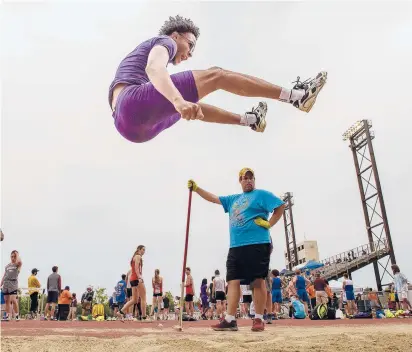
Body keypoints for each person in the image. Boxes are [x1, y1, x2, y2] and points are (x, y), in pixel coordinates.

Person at [108, 15, 328, 144]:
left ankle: (249, 120)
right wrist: (177, 100)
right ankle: (296, 96)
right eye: (191, 44)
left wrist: (179, 102)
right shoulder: (167, 42)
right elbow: (154, 68)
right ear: (176, 36)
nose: (190, 54)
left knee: (193, 106)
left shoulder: (149, 66)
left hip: (129, 128)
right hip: (132, 106)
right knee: (216, 75)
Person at [188, 167, 285, 331]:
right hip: (236, 246)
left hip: (258, 243)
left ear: (254, 180)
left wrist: (269, 223)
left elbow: (280, 206)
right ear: (240, 181)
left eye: (250, 177)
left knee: (257, 280)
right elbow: (213, 198)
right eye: (244, 178)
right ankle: (230, 319)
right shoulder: (233, 199)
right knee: (233, 280)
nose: (248, 180)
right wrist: (197, 189)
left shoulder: (261, 194)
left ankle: (259, 318)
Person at [118, 245, 149, 321]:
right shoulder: (138, 257)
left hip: (132, 279)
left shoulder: (134, 257)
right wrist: (139, 277)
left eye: (144, 250)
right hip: (136, 279)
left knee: (134, 300)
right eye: (143, 250)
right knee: (143, 297)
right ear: (139, 249)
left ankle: (121, 312)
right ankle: (144, 317)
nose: (144, 252)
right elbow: (136, 268)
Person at [1, 250, 22, 321]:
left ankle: (16, 315)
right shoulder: (7, 266)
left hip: (13, 284)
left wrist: (17, 254)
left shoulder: (17, 264)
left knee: (13, 300)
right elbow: (4, 275)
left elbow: (20, 262)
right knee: (6, 300)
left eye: (14, 256)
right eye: (12, 256)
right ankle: (7, 315)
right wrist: (1, 283)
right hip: (6, 283)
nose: (12, 258)